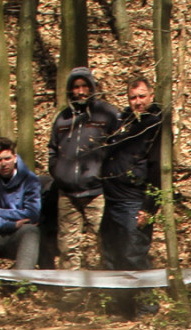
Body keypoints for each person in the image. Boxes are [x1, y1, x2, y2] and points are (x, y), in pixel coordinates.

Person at [100, 77, 165, 318]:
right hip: (112, 200)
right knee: (112, 254)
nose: (137, 102)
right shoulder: (123, 123)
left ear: (151, 96)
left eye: (141, 96)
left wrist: (149, 207)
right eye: (132, 97)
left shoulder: (156, 126)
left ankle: (147, 308)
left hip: (134, 200)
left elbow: (157, 169)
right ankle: (121, 308)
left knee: (133, 254)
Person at [48, 67, 120, 273]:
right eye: (76, 87)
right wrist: (57, 171)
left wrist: (105, 175)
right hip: (67, 193)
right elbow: (52, 149)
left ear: (92, 88)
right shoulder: (62, 118)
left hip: (97, 192)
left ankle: (111, 287)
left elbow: (120, 148)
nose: (80, 92)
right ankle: (72, 290)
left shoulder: (107, 114)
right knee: (68, 247)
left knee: (106, 242)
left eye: (84, 86)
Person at [0, 138, 43, 272]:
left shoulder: (30, 180)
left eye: (7, 159)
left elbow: (32, 214)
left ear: (15, 158)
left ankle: (22, 279)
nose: (3, 164)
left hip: (18, 234)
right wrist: (9, 224)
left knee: (31, 231)